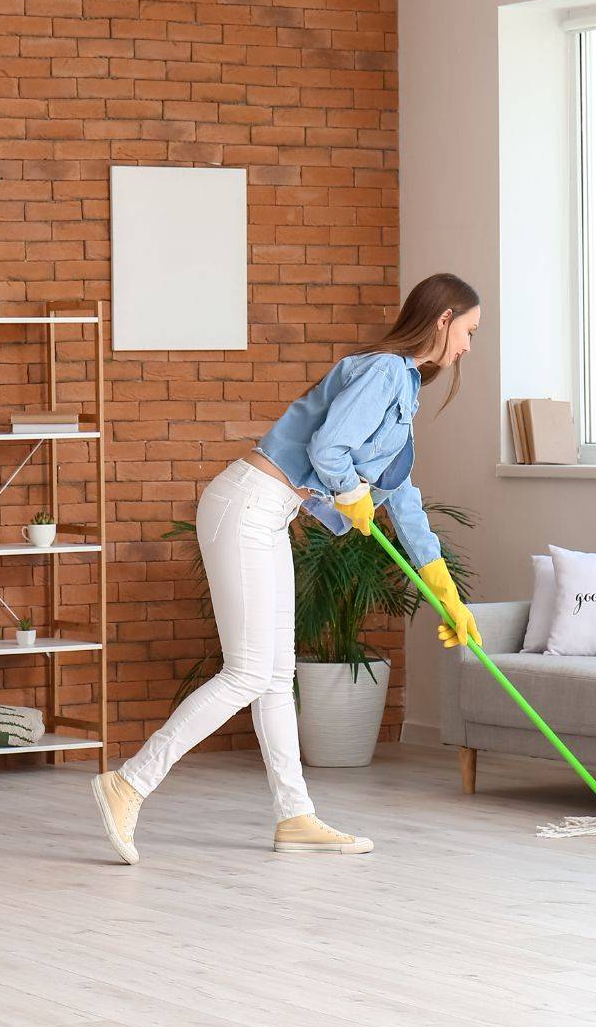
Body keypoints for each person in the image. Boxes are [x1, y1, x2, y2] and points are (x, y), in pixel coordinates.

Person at [90, 272, 483, 864]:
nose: (468, 349)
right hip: (246, 503)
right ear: (443, 319)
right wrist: (349, 490)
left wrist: (444, 590)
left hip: (268, 513)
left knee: (276, 675)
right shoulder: (382, 371)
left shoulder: (402, 386)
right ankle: (128, 783)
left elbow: (402, 493)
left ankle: (294, 816)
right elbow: (329, 451)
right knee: (249, 672)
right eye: (469, 332)